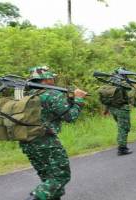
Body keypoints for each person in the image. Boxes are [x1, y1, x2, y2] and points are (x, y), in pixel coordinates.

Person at [23, 66, 87, 200]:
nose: (53, 79)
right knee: (60, 176)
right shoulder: (52, 94)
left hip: (27, 141)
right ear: (45, 80)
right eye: (51, 77)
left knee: (49, 179)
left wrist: (70, 99)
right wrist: (79, 100)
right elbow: (70, 117)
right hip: (46, 142)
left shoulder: (26, 94)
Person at [102, 67, 132, 156]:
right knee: (123, 128)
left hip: (113, 109)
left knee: (120, 127)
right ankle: (122, 148)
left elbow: (110, 97)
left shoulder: (110, 82)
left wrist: (106, 110)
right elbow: (130, 88)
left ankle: (121, 145)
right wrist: (127, 81)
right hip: (122, 109)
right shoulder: (121, 82)